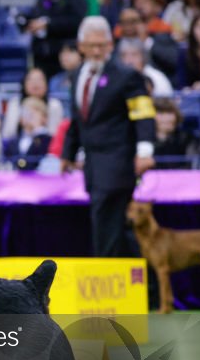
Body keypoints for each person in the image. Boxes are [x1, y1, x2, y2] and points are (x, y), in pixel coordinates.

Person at [62, 16, 156, 258]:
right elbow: (77, 120)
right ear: (80, 46)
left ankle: (107, 279)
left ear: (110, 46)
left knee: (107, 223)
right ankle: (140, 287)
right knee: (116, 229)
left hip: (118, 162)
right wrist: (67, 153)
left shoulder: (127, 76)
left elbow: (143, 115)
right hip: (93, 166)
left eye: (101, 45)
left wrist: (145, 152)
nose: (96, 51)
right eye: (91, 45)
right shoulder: (75, 76)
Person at [2, 67, 65, 138]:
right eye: (31, 79)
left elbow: (55, 135)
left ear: (46, 84)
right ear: (24, 83)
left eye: (39, 79)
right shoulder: (15, 103)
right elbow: (8, 134)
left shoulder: (54, 105)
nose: (35, 83)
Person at [2, 97, 53, 171]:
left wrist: (37, 130)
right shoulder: (13, 141)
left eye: (35, 111)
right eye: (25, 112)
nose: (29, 115)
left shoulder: (49, 140)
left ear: (44, 117)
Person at [151, 98, 192, 169]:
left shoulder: (186, 139)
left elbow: (191, 164)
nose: (167, 118)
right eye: (161, 113)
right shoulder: (144, 142)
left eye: (170, 113)